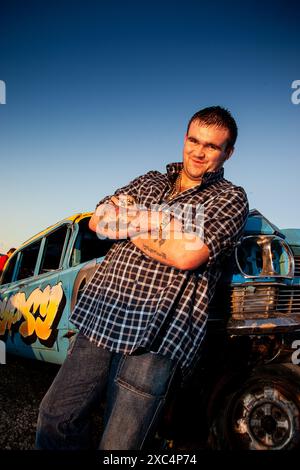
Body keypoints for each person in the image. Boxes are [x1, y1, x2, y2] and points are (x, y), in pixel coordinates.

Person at [36, 106, 249, 450]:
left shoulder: (229, 197)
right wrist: (165, 224)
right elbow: (97, 220)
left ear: (228, 153)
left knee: (120, 447)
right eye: (193, 140)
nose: (198, 151)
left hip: (159, 334)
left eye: (211, 146)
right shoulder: (150, 179)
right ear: (184, 138)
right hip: (101, 316)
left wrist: (133, 221)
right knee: (56, 417)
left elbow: (187, 255)